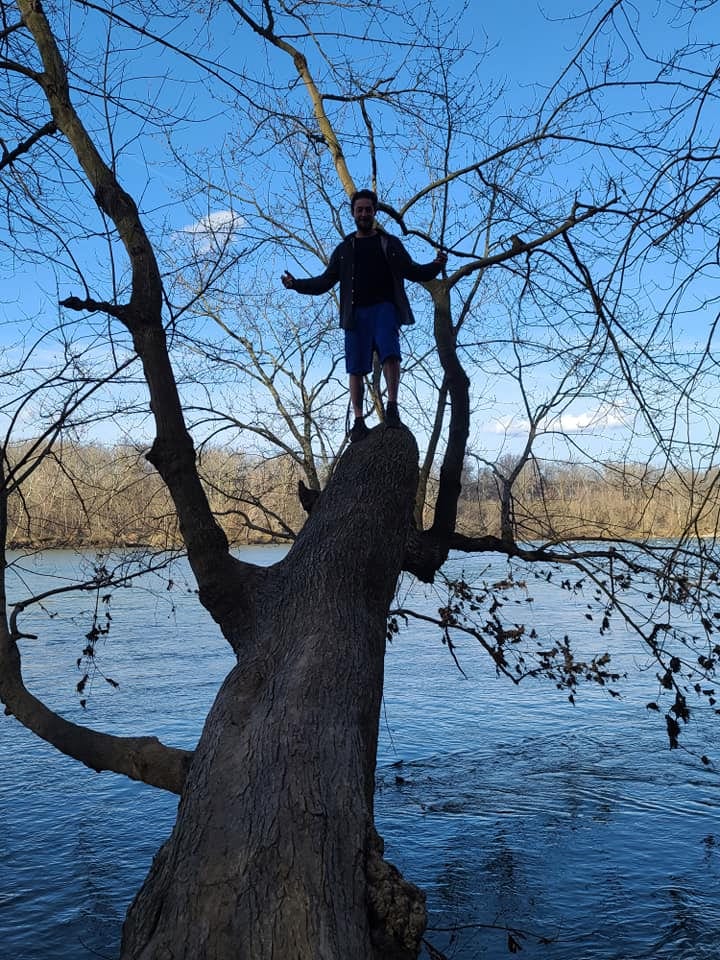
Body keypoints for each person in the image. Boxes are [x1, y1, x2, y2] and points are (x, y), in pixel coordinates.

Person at [281, 189, 447, 442]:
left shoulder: (389, 243)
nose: (364, 213)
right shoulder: (345, 249)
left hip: (385, 309)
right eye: (359, 210)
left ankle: (392, 407)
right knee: (356, 368)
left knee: (391, 354)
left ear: (374, 212)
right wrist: (297, 285)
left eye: (368, 209)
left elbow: (413, 270)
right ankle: (358, 421)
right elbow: (325, 281)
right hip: (355, 315)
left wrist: (436, 266)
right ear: (353, 213)